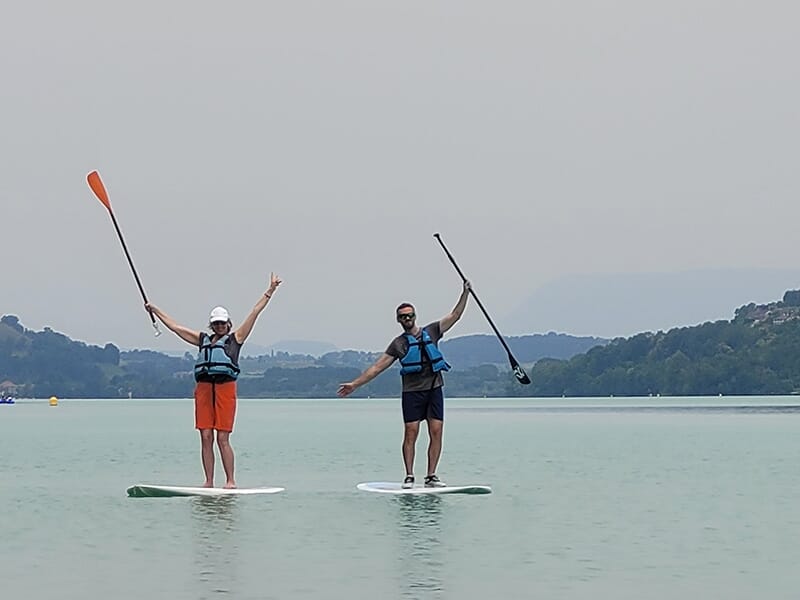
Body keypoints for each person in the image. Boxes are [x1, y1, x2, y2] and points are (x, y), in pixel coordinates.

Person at [145, 273, 282, 488]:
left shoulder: (236, 339)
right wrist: (155, 310)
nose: (219, 326)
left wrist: (270, 290)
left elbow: (255, 312)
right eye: (216, 324)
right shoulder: (203, 340)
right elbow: (176, 327)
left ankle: (230, 481)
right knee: (206, 436)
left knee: (222, 438)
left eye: (222, 323)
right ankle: (208, 481)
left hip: (225, 389)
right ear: (212, 325)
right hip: (203, 390)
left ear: (228, 324)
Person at [337, 281, 470, 488]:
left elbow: (455, 315)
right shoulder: (398, 344)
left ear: (415, 316)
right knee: (411, 432)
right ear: (398, 320)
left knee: (436, 431)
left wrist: (465, 293)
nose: (407, 319)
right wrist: (355, 384)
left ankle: (431, 475)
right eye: (403, 317)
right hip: (412, 393)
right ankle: (409, 475)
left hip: (434, 388)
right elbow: (377, 368)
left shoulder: (432, 331)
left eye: (410, 315)